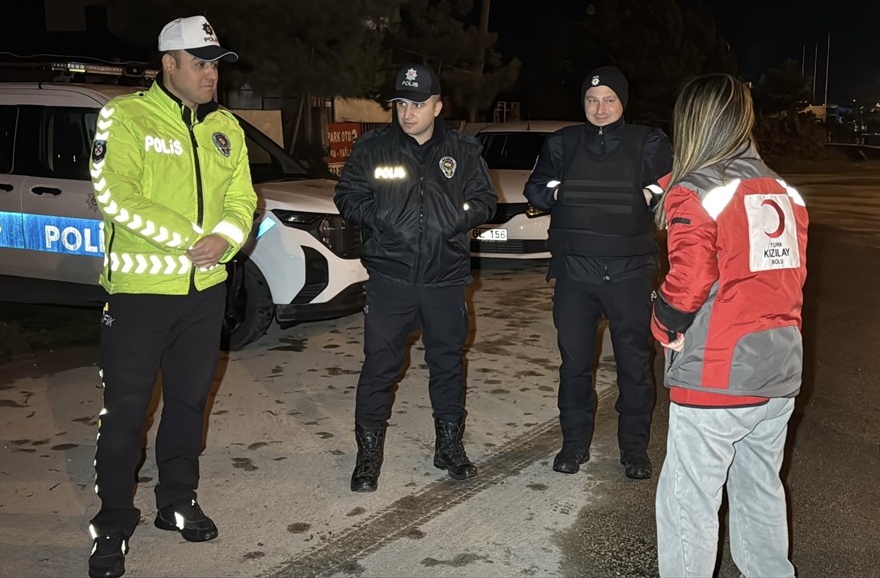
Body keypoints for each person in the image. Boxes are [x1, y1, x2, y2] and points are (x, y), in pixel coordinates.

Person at [86, 15, 257, 578]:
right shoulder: (126, 116)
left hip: (203, 296)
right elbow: (116, 196)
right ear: (169, 63)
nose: (212, 73)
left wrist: (225, 243)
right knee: (126, 413)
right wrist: (194, 242)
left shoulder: (225, 126)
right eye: (201, 62)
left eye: (215, 64)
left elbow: (243, 199)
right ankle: (112, 522)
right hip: (139, 296)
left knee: (187, 404)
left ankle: (177, 501)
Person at [650, 73, 809, 578]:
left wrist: (662, 321)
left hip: (717, 374)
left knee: (687, 500)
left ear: (692, 123)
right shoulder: (783, 190)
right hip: (778, 366)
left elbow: (691, 276)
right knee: (760, 488)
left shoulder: (695, 190)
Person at [333, 64, 497, 493]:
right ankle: (368, 455)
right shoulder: (373, 148)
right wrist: (383, 217)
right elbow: (347, 196)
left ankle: (449, 447)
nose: (407, 113)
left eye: (418, 104)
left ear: (437, 106)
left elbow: (485, 201)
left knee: (446, 363)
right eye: (401, 104)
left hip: (445, 277)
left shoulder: (463, 150)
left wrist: (454, 218)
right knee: (379, 367)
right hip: (391, 277)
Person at [522, 65, 672, 479]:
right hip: (575, 273)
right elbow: (535, 190)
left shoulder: (648, 141)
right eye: (592, 100)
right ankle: (573, 446)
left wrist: (647, 192)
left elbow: (672, 180)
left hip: (629, 273)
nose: (600, 108)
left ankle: (634, 451)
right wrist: (564, 191)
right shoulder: (563, 143)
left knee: (635, 367)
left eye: (608, 99)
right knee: (574, 366)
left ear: (622, 102)